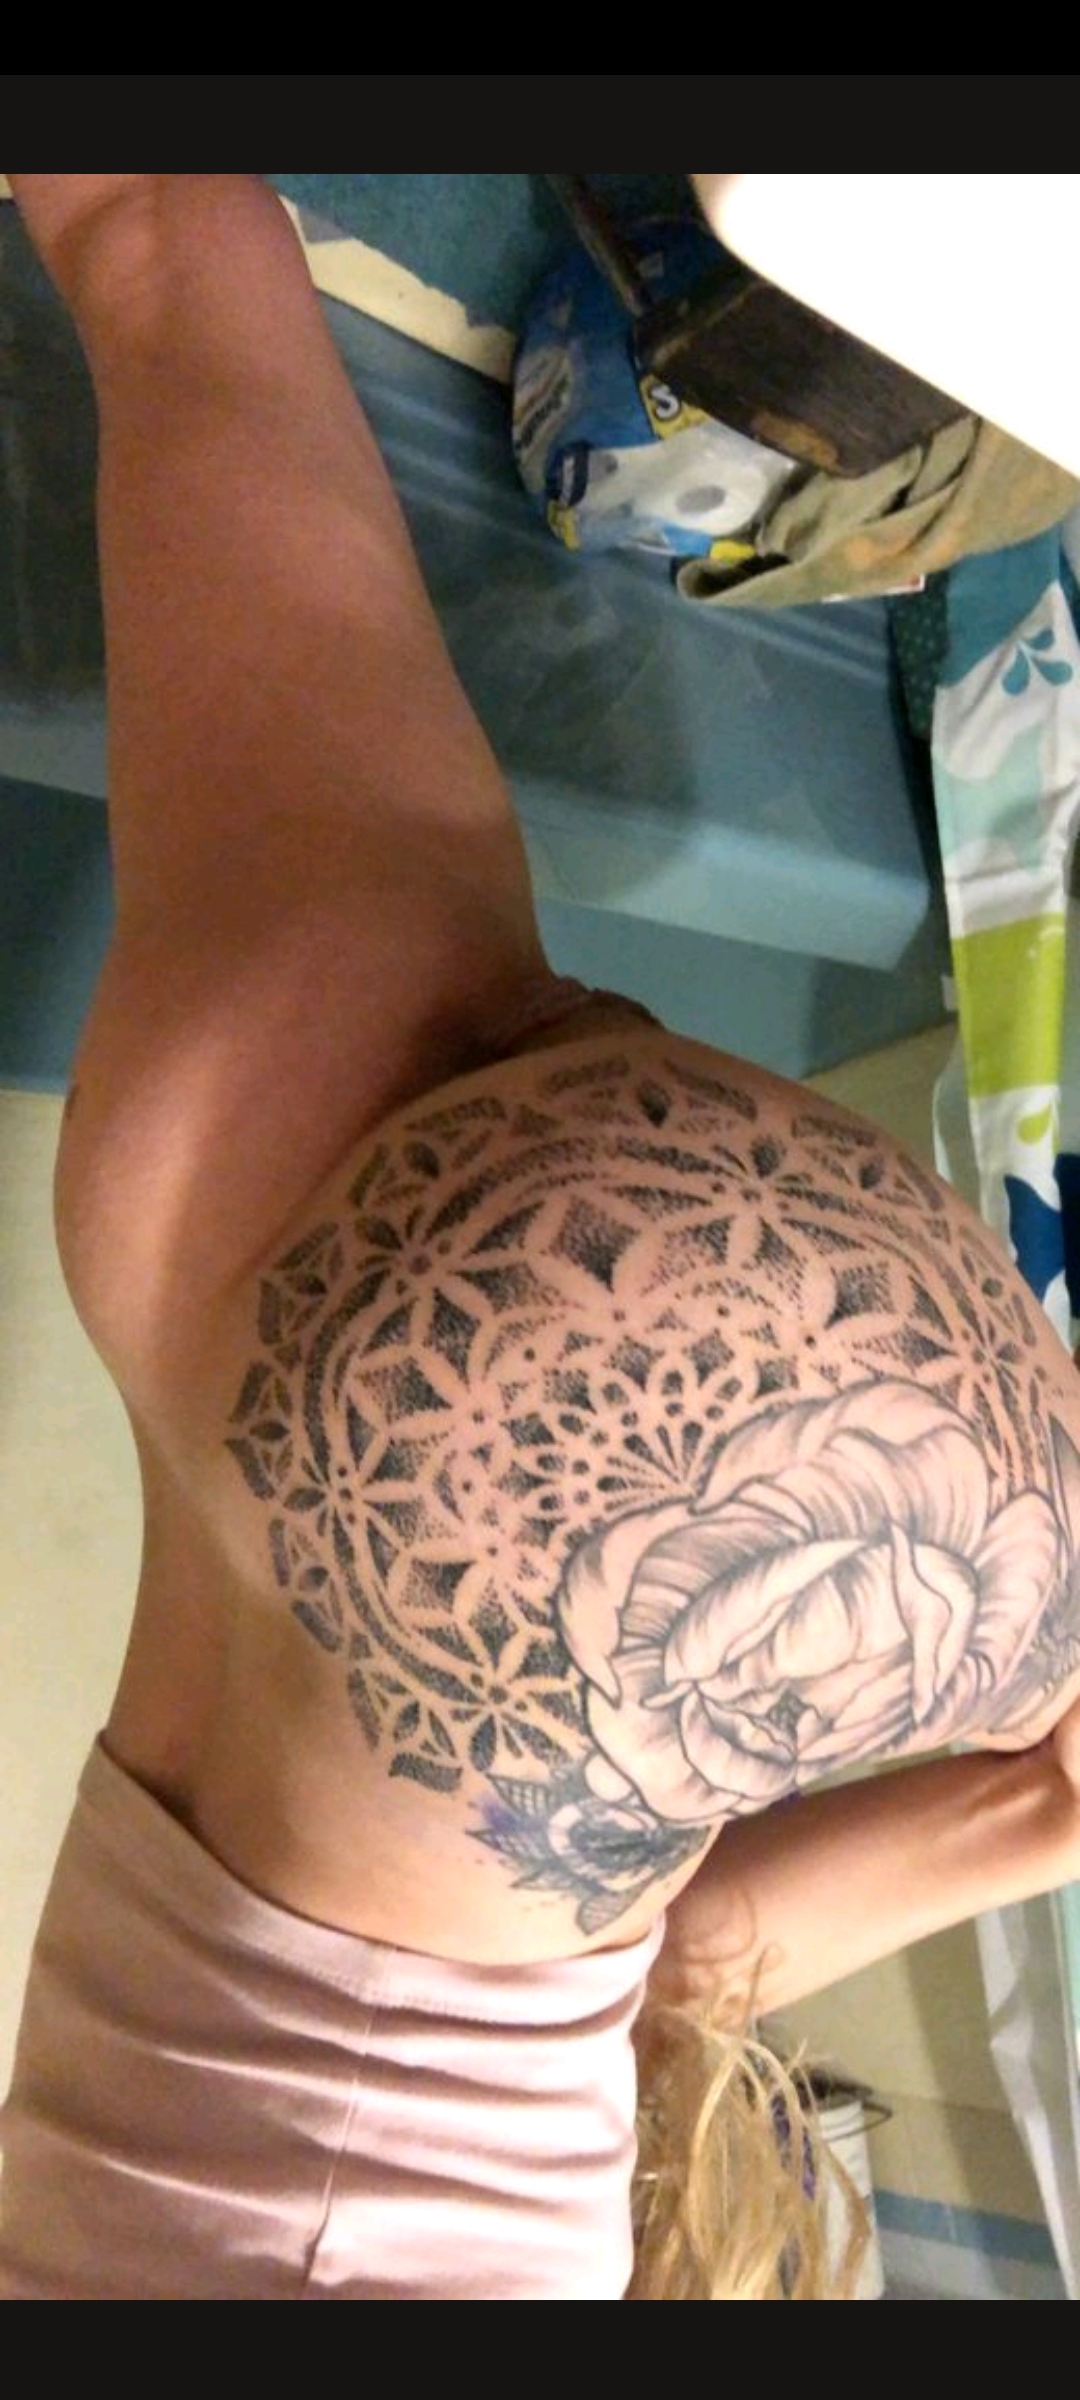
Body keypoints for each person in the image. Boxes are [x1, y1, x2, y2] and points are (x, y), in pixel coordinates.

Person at [2, 174, 1080, 2304]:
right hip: (287, 1343)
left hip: (839, 1548)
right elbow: (660, 1974)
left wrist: (1040, 1795)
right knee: (156, 239)